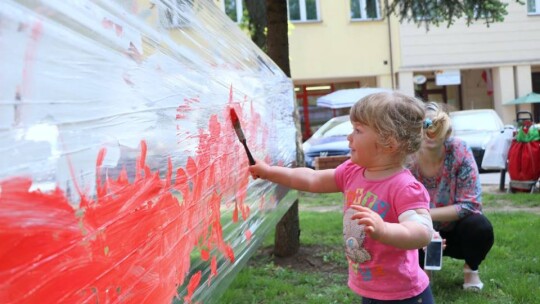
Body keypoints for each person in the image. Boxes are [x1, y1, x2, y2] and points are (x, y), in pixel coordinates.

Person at [249, 92, 436, 303]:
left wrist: (384, 229)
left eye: (358, 130)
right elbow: (312, 179)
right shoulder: (352, 171)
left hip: (405, 293)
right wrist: (270, 172)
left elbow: (422, 232)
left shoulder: (404, 187)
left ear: (388, 144)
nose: (349, 137)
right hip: (371, 288)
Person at [408, 102, 494, 291]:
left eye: (436, 127)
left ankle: (471, 269)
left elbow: (470, 205)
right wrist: (423, 223)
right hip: (417, 229)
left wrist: (428, 214)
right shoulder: (407, 157)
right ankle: (421, 270)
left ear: (447, 131)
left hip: (456, 230)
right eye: (424, 126)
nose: (430, 133)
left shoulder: (459, 150)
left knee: (480, 227)